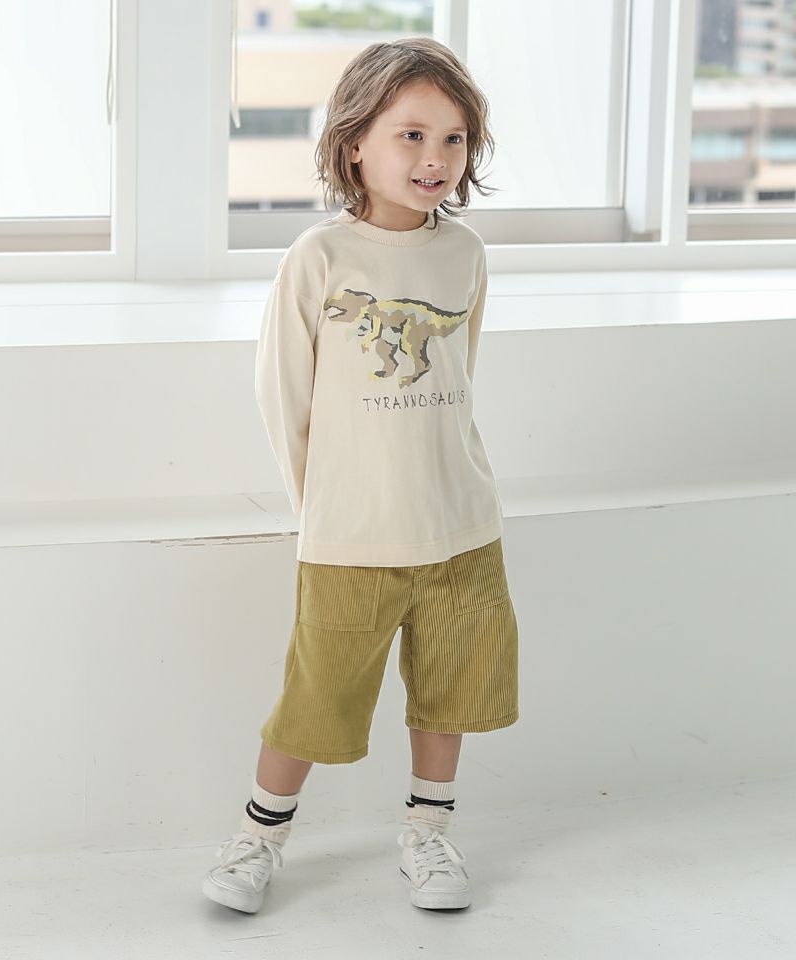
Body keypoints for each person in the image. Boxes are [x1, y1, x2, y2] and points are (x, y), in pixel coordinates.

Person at [202, 35, 519, 915]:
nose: (434, 157)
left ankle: (429, 831)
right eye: (411, 134)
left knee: (450, 687)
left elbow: (459, 379)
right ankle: (260, 835)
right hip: (350, 531)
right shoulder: (319, 257)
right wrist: (325, 508)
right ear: (354, 144)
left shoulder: (464, 255)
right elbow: (283, 397)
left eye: (453, 138)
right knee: (318, 693)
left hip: (460, 522)